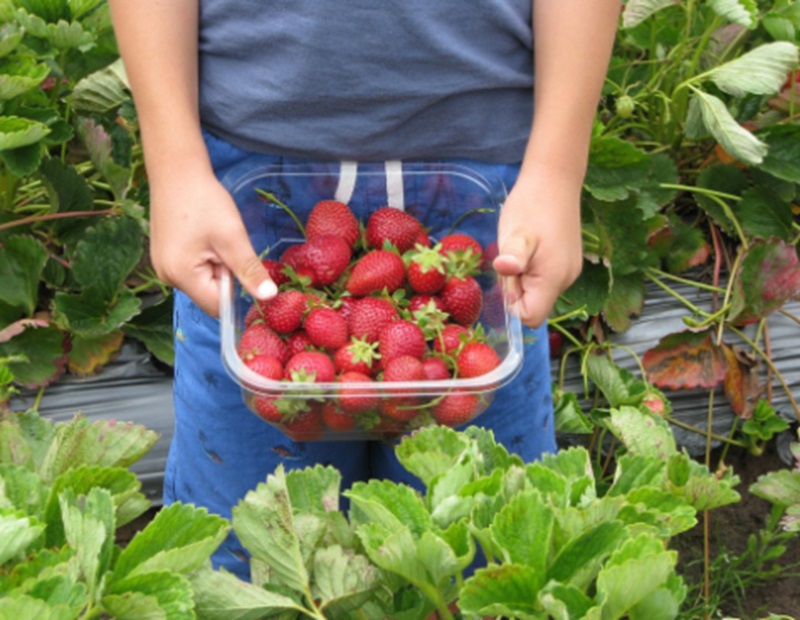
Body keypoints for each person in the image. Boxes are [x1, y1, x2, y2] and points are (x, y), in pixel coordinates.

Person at [109, 0, 621, 579]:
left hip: (491, 191)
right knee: (250, 550)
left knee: (483, 550)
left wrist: (556, 169)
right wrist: (174, 163)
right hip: (247, 197)